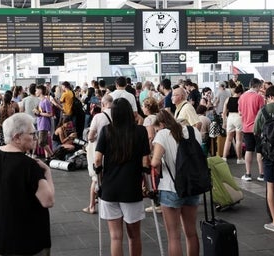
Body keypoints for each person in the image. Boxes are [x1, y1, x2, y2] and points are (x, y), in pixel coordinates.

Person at [0, 113, 55, 255]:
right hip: (26, 243)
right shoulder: (30, 166)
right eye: (32, 134)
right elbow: (48, 201)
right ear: (17, 137)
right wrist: (48, 172)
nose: (35, 138)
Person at [94, 98, 150, 256]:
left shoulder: (106, 130)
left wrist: (99, 175)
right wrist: (148, 186)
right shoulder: (140, 131)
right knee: (134, 236)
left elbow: (98, 159)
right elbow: (145, 161)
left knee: (116, 237)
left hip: (110, 189)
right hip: (131, 189)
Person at [151, 109, 201, 256]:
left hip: (170, 189)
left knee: (174, 236)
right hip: (192, 186)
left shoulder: (162, 134)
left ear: (161, 124)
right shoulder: (193, 131)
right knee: (191, 233)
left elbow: (155, 162)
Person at [253, 85, 274, 232]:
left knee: (271, 186)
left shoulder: (264, 111)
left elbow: (256, 130)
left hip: (269, 153)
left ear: (270, 97)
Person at [83, 94, 113, 215]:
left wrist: (94, 137)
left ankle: (91, 206)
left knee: (96, 177)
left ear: (104, 104)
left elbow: (90, 137)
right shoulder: (118, 115)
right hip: (114, 150)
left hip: (98, 149)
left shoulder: (98, 117)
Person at [238, 78, 265, 181]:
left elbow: (240, 112)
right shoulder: (259, 97)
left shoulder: (242, 97)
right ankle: (261, 174)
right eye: (260, 87)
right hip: (258, 128)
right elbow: (262, 113)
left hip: (246, 127)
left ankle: (248, 174)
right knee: (259, 151)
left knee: (249, 150)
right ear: (257, 86)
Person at [222, 85, 245, 164]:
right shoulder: (241, 99)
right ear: (240, 93)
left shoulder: (228, 99)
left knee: (228, 139)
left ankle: (224, 157)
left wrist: (224, 122)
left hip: (230, 118)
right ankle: (239, 158)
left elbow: (224, 112)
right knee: (239, 140)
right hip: (238, 117)